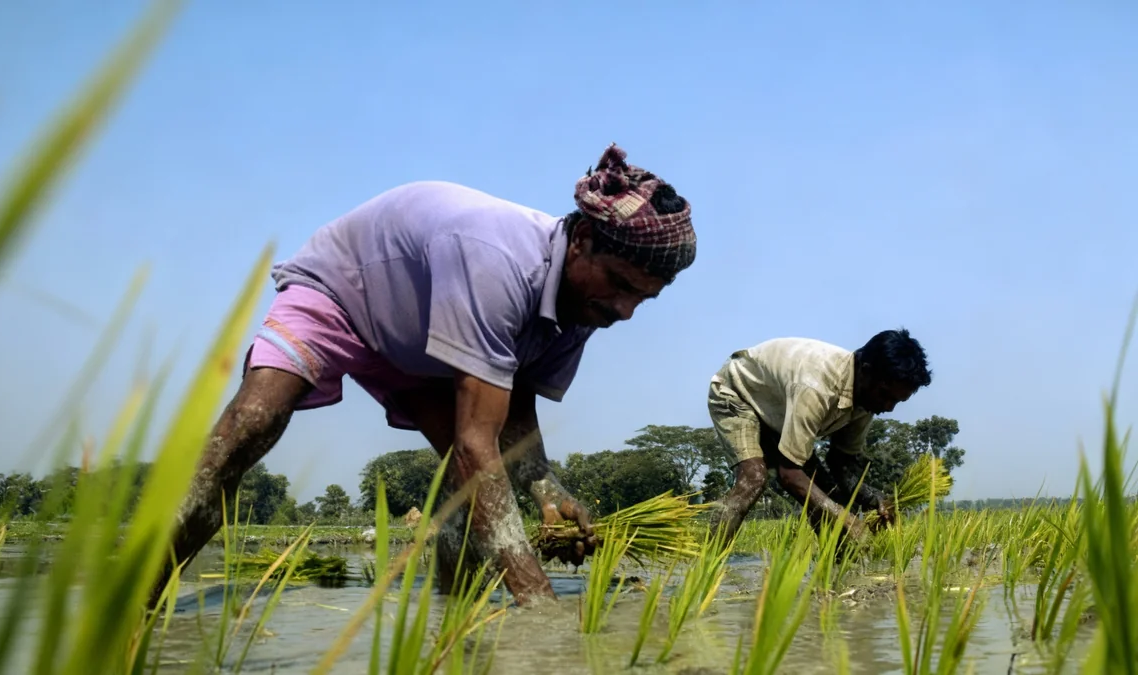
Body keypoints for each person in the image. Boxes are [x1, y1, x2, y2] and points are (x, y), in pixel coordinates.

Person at [146, 144, 697, 609]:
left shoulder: (585, 307)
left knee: (465, 491)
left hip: (426, 344)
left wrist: (548, 493)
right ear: (580, 242)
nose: (624, 310)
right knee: (251, 422)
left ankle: (448, 613)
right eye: (619, 284)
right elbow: (478, 445)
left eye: (641, 299)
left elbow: (514, 410)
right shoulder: (499, 263)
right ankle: (134, 597)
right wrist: (540, 606)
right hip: (345, 292)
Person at [705, 329, 932, 543]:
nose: (888, 407)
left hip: (780, 412)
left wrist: (875, 499)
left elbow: (840, 463)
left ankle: (838, 566)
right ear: (865, 369)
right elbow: (790, 475)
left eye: (896, 401)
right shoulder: (817, 387)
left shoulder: (866, 399)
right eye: (885, 395)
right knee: (754, 477)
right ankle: (707, 562)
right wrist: (846, 520)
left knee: (828, 494)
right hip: (738, 393)